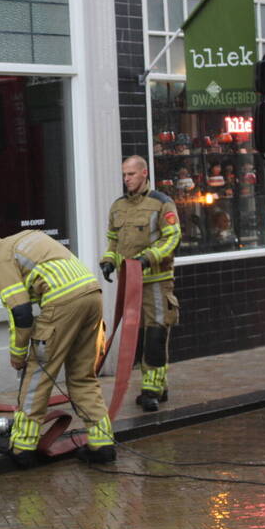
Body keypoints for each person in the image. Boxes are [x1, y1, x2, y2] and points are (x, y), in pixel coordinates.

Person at [0, 231, 115, 468]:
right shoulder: (25, 238)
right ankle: (102, 445)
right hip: (91, 294)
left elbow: (21, 313)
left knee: (37, 377)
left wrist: (18, 354)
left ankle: (22, 448)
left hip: (61, 302)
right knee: (82, 377)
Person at [100, 155, 181, 412]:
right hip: (129, 283)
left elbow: (172, 238)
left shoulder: (161, 203)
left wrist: (148, 258)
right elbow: (113, 242)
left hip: (157, 281)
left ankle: (151, 390)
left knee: (156, 334)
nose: (126, 180)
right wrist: (108, 261)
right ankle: (158, 385)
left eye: (131, 174)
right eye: (124, 175)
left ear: (144, 173)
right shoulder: (118, 207)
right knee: (137, 338)